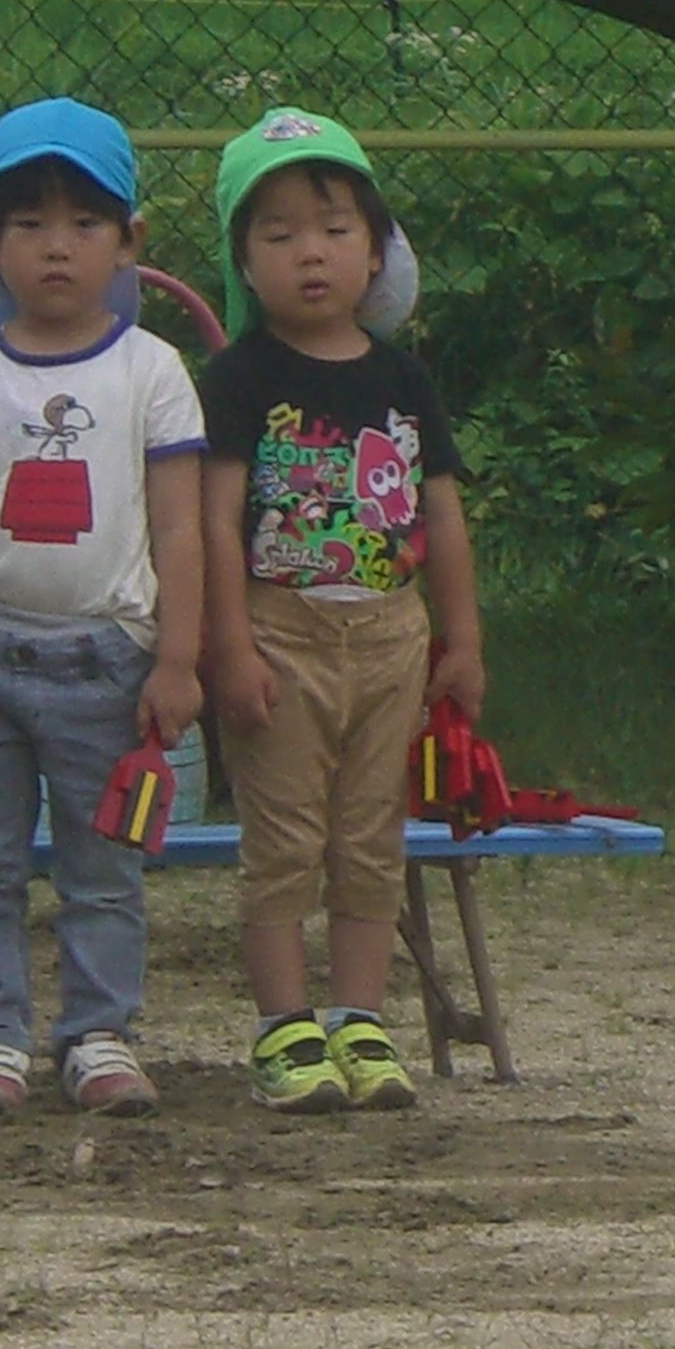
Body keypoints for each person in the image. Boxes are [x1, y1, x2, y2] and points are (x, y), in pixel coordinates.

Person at [0, 99, 206, 1116]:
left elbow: (178, 527)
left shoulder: (151, 373)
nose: (57, 248)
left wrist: (177, 657)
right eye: (28, 224)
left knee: (101, 860)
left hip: (106, 658)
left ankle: (99, 1032)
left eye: (84, 223)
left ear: (129, 240)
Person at [196, 108, 483, 1113]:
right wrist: (224, 646)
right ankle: (284, 1030)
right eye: (276, 235)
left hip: (393, 630)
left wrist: (463, 639)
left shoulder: (403, 379)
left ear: (376, 253)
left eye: (333, 229)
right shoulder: (237, 378)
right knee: (283, 840)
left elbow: (440, 508)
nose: (308, 253)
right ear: (245, 261)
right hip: (281, 629)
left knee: (372, 834)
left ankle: (359, 1019)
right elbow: (216, 517)